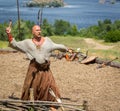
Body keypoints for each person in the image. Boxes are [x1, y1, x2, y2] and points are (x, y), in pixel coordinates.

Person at [6, 24, 68, 111]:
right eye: (37, 30)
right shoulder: (27, 43)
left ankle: (51, 104)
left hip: (45, 70)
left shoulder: (47, 41)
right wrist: (9, 34)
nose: (39, 32)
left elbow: (57, 46)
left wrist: (66, 48)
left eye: (40, 30)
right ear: (32, 32)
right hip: (33, 70)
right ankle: (32, 104)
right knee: (31, 87)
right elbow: (14, 44)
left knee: (50, 86)